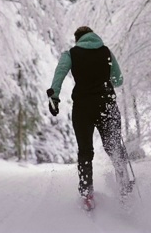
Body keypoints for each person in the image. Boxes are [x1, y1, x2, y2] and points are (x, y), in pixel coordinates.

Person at [46, 26, 132, 209]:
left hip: (83, 108)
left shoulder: (71, 54)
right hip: (106, 105)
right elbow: (118, 80)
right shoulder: (106, 51)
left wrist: (54, 97)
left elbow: (59, 75)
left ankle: (87, 194)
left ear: (78, 39)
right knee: (114, 146)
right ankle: (125, 187)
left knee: (85, 150)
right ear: (94, 36)